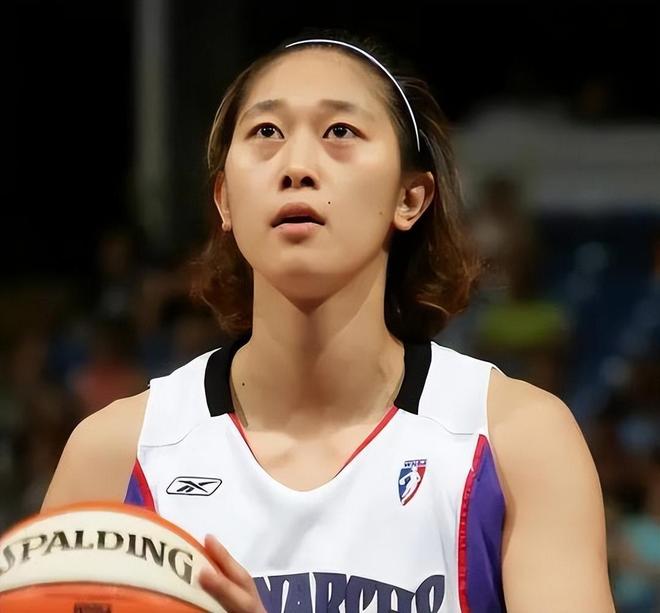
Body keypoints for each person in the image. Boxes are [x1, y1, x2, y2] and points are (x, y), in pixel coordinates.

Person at [41, 30, 615, 612]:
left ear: (410, 198)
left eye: (340, 131)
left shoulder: (518, 440)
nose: (297, 166)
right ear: (225, 200)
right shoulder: (116, 454)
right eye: (267, 132)